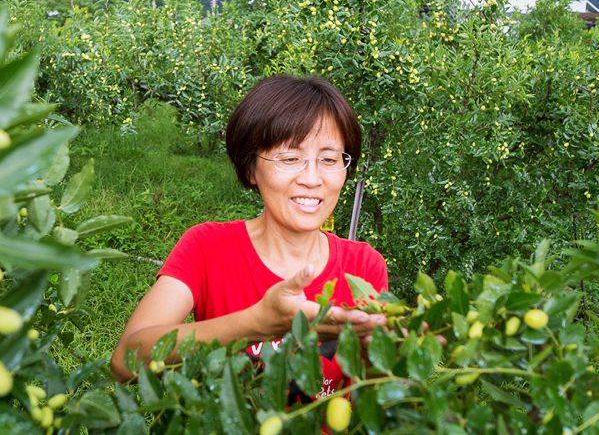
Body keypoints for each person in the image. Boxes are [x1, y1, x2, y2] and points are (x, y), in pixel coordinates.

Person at [110, 75, 390, 399]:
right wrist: (257, 322)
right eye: (290, 158)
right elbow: (125, 362)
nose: (313, 179)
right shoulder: (208, 248)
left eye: (329, 159)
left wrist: (386, 355)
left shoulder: (364, 267)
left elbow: (369, 394)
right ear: (251, 169)